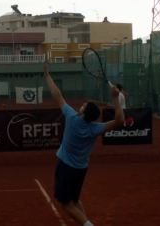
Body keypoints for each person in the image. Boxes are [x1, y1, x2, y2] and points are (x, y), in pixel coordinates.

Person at [44, 60, 124, 226]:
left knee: (66, 205)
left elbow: (57, 95)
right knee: (75, 199)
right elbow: (119, 121)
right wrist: (115, 97)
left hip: (66, 168)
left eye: (85, 105)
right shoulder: (95, 128)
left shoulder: (71, 117)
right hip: (81, 170)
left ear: (83, 112)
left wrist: (47, 76)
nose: (83, 104)